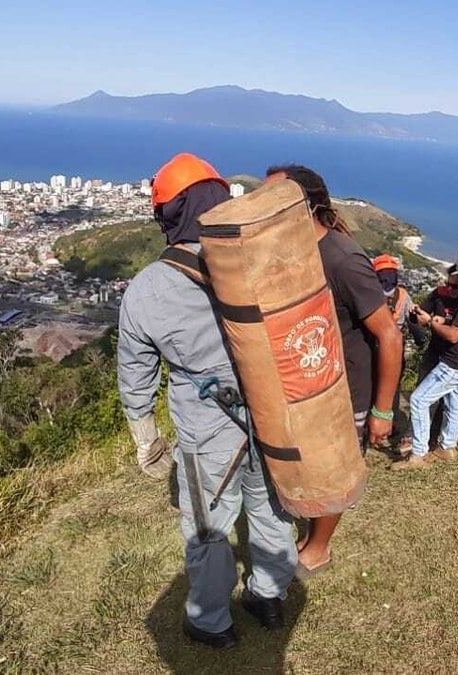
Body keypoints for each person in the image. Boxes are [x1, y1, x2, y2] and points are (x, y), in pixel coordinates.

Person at [117, 153, 297, 650]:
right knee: (272, 508)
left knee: (209, 527)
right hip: (272, 412)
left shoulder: (150, 287)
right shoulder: (260, 258)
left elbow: (137, 373)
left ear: (170, 213)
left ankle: (211, 620)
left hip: (207, 426)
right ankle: (268, 594)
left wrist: (146, 440)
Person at [264, 164, 403, 576]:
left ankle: (318, 550)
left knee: (334, 473)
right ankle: (310, 534)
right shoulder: (299, 250)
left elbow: (389, 336)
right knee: (314, 469)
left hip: (349, 391)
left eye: (277, 198)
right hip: (315, 384)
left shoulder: (343, 259)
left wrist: (382, 411)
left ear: (306, 205)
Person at [393, 248, 458, 470]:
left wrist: (431, 322)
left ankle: (418, 454)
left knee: (419, 400)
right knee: (453, 402)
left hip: (456, 362)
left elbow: (454, 335)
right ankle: (447, 446)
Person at [372, 253, 426, 455]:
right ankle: (390, 426)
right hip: (395, 348)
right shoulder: (403, 296)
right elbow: (413, 322)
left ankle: (369, 425)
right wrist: (422, 341)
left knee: (372, 385)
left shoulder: (370, 292)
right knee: (392, 387)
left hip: (373, 345)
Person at [416, 265, 458, 449]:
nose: (450, 290)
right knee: (423, 394)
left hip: (455, 357)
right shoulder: (439, 294)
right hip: (434, 351)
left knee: (448, 402)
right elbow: (419, 313)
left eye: (454, 287)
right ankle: (417, 437)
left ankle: (437, 439)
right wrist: (420, 321)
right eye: (448, 285)